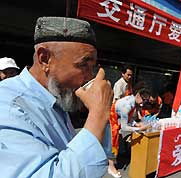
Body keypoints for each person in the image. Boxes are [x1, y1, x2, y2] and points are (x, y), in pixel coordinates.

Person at [0, 17, 114, 178]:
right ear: (44, 59)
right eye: (83, 65)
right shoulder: (8, 106)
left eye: (92, 67)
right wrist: (98, 115)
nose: (90, 77)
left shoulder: (55, 97)